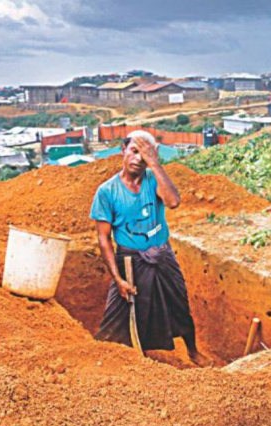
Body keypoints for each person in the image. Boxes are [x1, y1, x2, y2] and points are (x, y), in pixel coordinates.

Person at [89, 130, 212, 367]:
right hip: (129, 260)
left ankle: (192, 351)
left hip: (162, 254)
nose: (138, 159)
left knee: (179, 303)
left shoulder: (154, 180)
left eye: (144, 154)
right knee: (121, 312)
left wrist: (154, 163)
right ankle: (111, 357)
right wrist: (117, 278)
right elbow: (103, 239)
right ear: (122, 151)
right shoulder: (107, 192)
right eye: (134, 151)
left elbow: (173, 202)